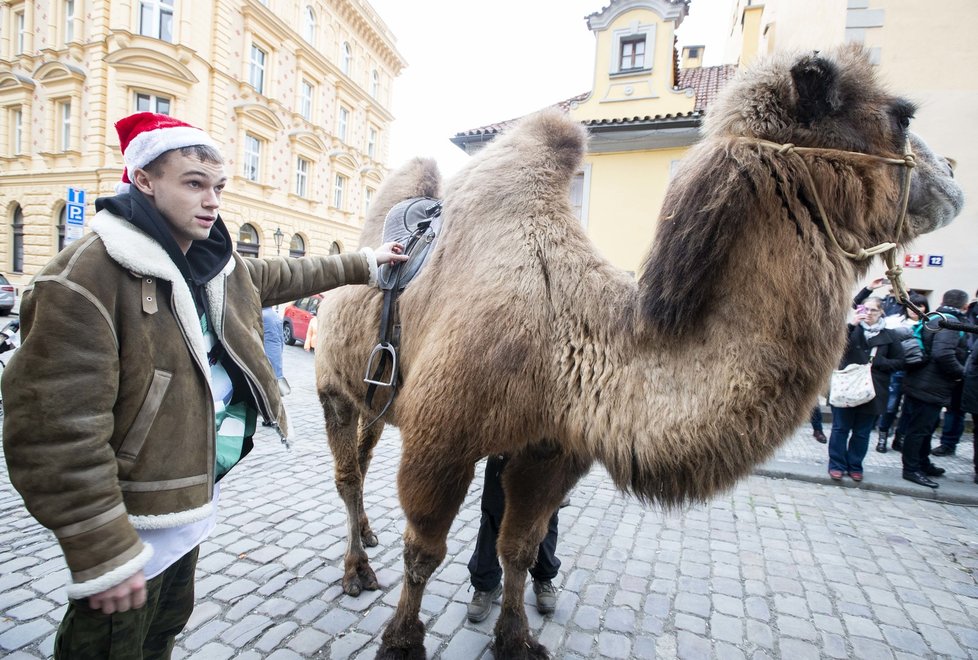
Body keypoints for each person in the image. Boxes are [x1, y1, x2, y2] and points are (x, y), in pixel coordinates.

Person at [0, 111, 408, 659]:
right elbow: (52, 436)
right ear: (143, 180)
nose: (212, 202)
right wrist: (103, 551)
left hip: (186, 508)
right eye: (194, 184)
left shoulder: (211, 260)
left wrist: (365, 262)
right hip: (130, 533)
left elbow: (285, 276)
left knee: (162, 636)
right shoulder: (84, 277)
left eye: (218, 187)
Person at [467, 455, 560, 623]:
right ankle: (486, 583)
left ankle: (543, 577)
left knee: (546, 514)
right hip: (505, 445)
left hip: (551, 448)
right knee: (493, 511)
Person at [899, 289, 970, 488]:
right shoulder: (949, 323)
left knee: (926, 428)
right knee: (919, 429)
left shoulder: (935, 317)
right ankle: (911, 469)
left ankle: (922, 463)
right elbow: (943, 354)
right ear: (964, 306)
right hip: (929, 385)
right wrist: (961, 373)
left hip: (922, 382)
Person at [827, 297, 904, 482]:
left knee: (862, 432)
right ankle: (836, 465)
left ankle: (855, 466)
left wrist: (881, 362)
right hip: (847, 387)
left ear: (881, 312)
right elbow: (832, 347)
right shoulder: (850, 330)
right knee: (840, 428)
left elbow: (901, 361)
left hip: (872, 390)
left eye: (873, 310)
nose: (868, 313)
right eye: (865, 309)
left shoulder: (890, 335)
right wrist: (852, 324)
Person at [876, 292, 930, 453]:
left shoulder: (929, 325)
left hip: (918, 372)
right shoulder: (893, 322)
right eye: (912, 306)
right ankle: (882, 437)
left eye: (919, 306)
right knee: (891, 406)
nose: (914, 309)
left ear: (925, 307)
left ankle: (899, 438)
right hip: (897, 370)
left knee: (909, 408)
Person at [262, 306, 290, 396]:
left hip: (268, 354)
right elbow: (282, 340)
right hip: (277, 353)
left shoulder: (262, 315)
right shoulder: (276, 315)